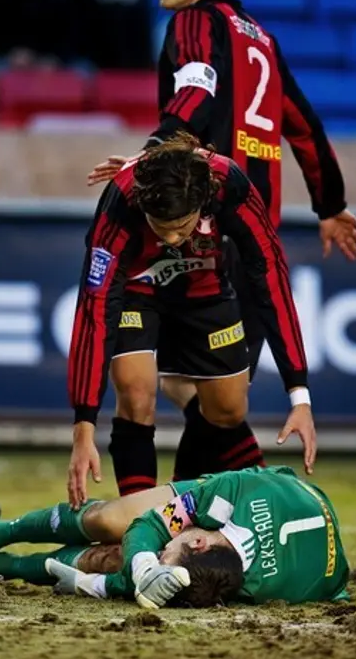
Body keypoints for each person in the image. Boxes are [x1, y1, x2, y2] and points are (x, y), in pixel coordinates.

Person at [87, 0, 356, 490]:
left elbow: (195, 91)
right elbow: (305, 128)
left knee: (186, 393)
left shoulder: (194, 21)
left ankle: (208, 508)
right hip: (252, 228)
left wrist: (153, 158)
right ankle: (216, 507)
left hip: (203, 224)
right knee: (197, 390)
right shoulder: (259, 37)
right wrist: (329, 204)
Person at [67, 131, 315, 509]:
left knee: (229, 410)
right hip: (139, 290)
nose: (169, 238)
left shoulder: (228, 185)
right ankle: (139, 521)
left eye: (181, 227)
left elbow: (271, 277)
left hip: (206, 288)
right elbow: (94, 309)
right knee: (135, 392)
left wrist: (299, 395)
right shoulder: (120, 200)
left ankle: (177, 499)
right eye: (159, 225)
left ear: (202, 203)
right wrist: (83, 427)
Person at [0, 464, 350, 610]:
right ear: (200, 540)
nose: (166, 549)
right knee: (112, 522)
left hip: (299, 524)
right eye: (171, 552)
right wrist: (144, 562)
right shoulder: (231, 495)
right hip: (268, 488)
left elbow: (159, 584)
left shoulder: (241, 587)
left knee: (110, 559)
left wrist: (97, 581)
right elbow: (153, 529)